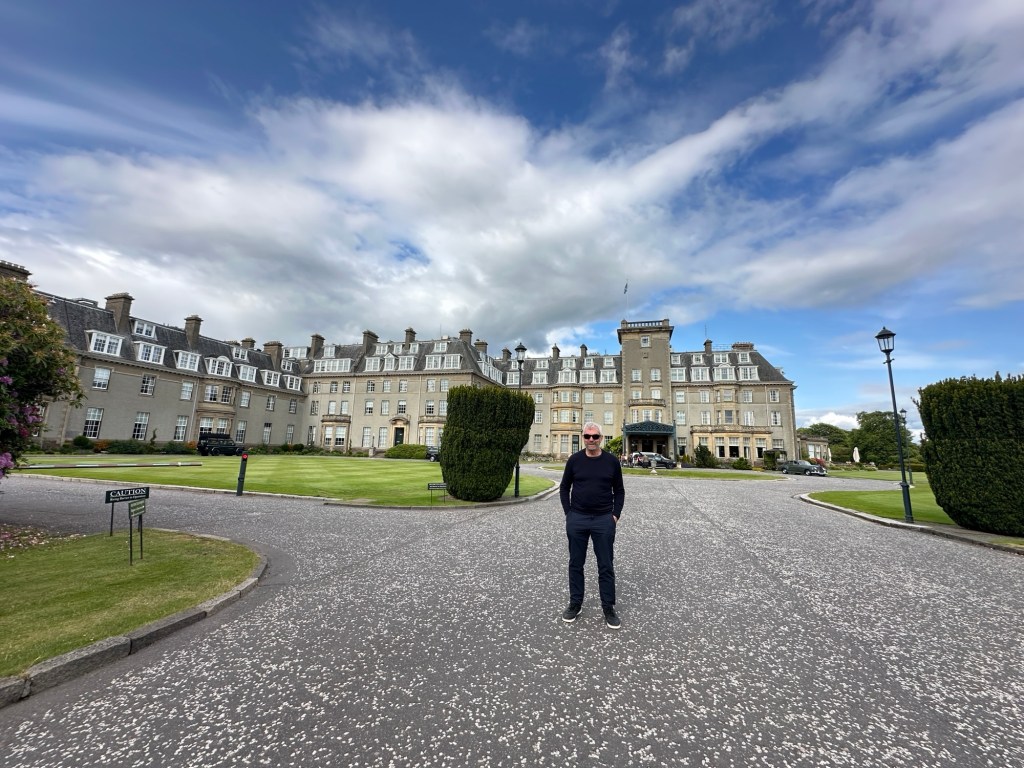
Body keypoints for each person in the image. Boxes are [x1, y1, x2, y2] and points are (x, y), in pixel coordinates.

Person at [559, 422, 626, 629]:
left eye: (595, 436)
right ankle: (575, 603)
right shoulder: (574, 460)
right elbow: (564, 487)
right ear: (583, 437)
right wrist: (569, 514)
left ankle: (608, 607)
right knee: (575, 563)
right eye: (587, 436)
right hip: (578, 518)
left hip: (603, 519)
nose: (591, 440)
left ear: (601, 438)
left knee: (605, 565)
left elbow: (619, 491)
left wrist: (615, 516)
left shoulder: (611, 462)